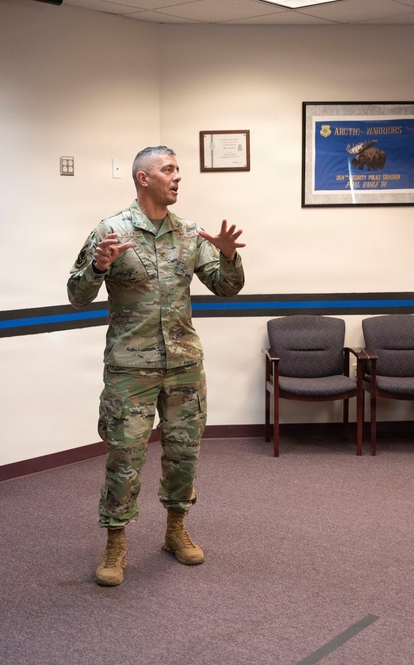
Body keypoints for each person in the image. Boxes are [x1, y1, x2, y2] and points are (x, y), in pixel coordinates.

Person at [67, 146, 246, 586]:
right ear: (143, 179)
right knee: (124, 456)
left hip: (184, 364)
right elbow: (76, 293)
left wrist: (226, 256)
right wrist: (97, 267)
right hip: (131, 369)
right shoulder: (110, 230)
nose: (178, 177)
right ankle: (115, 542)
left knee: (184, 452)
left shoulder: (189, 233)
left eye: (178, 170)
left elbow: (227, 288)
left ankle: (175, 530)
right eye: (169, 170)